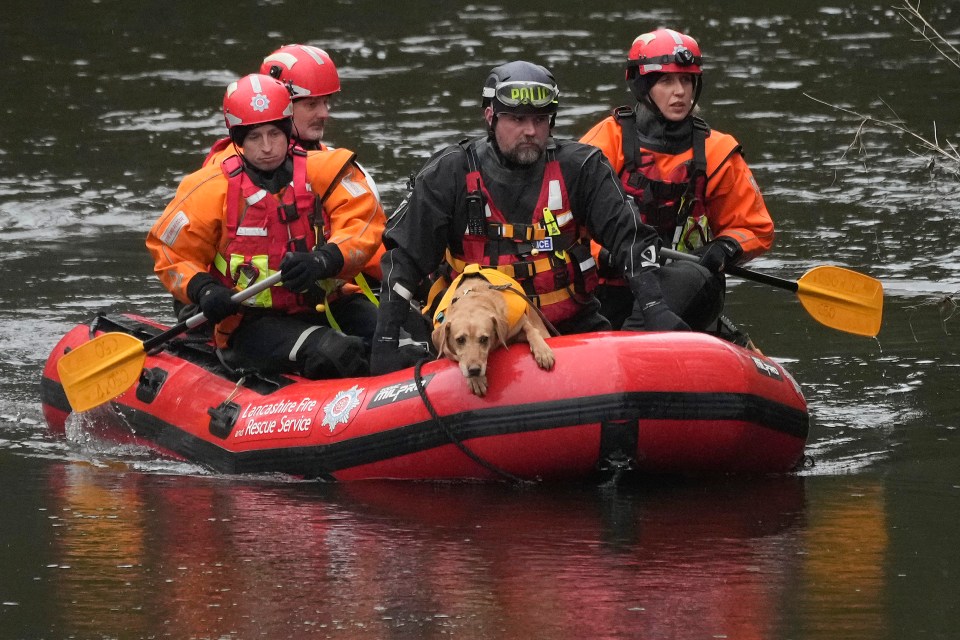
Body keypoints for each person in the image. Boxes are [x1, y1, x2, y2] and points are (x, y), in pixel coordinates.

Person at [370, 60, 689, 375]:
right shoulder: (449, 173)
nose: (530, 131)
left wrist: (655, 309)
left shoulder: (581, 168)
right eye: (517, 119)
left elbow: (630, 238)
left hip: (570, 326)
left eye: (540, 119)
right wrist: (386, 343)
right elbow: (402, 262)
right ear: (490, 117)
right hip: (480, 338)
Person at [147, 73, 385, 379]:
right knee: (337, 353)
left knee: (400, 337)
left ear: (288, 132)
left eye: (275, 134)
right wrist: (204, 290)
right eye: (255, 137)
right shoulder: (208, 189)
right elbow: (169, 252)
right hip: (250, 321)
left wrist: (324, 259)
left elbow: (364, 223)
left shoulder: (327, 171)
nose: (267, 147)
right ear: (239, 141)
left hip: (325, 302)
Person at [580, 28, 774, 330]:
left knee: (687, 276)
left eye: (686, 80)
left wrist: (724, 248)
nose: (680, 91)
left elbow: (755, 228)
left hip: (684, 284)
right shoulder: (606, 142)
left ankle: (635, 342)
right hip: (612, 284)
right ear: (643, 86)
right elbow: (564, 219)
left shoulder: (718, 151)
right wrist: (604, 254)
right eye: (667, 81)